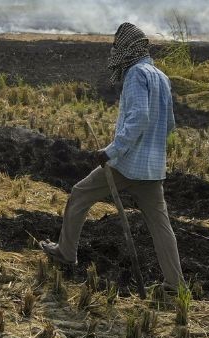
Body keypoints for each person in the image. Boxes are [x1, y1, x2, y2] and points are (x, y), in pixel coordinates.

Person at [40, 22, 184, 290]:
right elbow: (171, 124)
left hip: (124, 165)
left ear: (128, 48)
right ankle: (175, 283)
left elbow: (139, 116)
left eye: (117, 46)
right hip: (153, 169)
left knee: (80, 194)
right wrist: (152, 148)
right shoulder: (161, 77)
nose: (114, 52)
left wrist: (111, 151)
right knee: (161, 225)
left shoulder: (135, 74)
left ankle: (65, 253)